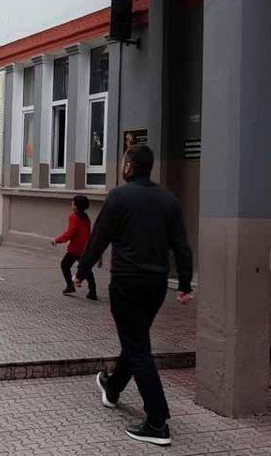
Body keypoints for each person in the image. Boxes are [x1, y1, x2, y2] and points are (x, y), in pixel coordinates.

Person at [77, 144, 193, 447]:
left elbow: (99, 238)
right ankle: (112, 386)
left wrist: (82, 270)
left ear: (129, 165)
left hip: (127, 284)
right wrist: (184, 283)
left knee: (138, 347)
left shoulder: (119, 197)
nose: (122, 166)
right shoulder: (169, 200)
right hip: (156, 285)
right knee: (136, 340)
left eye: (124, 161)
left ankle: (157, 422)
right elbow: (181, 246)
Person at [51, 195, 95, 299]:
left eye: (72, 203)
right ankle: (92, 291)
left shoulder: (74, 217)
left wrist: (57, 240)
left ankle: (70, 286)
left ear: (76, 206)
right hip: (86, 248)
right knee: (86, 269)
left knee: (65, 265)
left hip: (76, 248)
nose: (71, 204)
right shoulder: (86, 217)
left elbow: (70, 233)